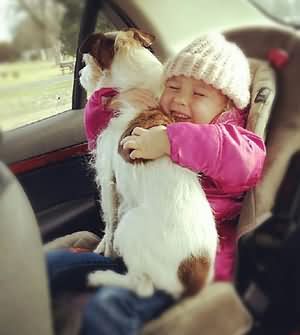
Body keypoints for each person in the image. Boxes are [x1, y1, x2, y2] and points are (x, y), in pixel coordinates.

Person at [47, 33, 266, 335]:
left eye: (198, 94)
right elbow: (104, 142)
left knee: (107, 309)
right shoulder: (159, 119)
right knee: (48, 265)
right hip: (135, 250)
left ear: (227, 105)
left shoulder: (230, 138)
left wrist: (169, 140)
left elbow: (247, 162)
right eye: (173, 87)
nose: (179, 99)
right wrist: (109, 101)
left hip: (186, 269)